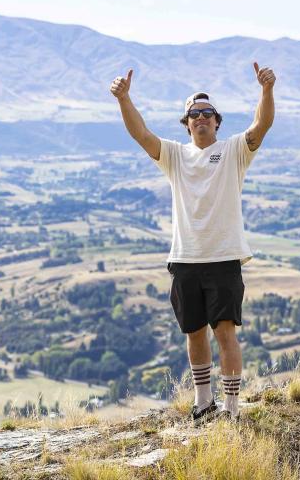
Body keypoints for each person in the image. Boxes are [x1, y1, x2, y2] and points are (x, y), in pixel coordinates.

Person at [110, 63, 276, 419]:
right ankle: (203, 403)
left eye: (206, 113)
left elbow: (261, 126)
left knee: (226, 334)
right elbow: (141, 134)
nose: (200, 118)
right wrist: (124, 98)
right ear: (186, 123)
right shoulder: (174, 155)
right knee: (194, 333)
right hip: (185, 259)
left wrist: (266, 91)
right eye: (193, 114)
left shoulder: (234, 151)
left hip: (223, 257)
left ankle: (231, 408)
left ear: (217, 121)